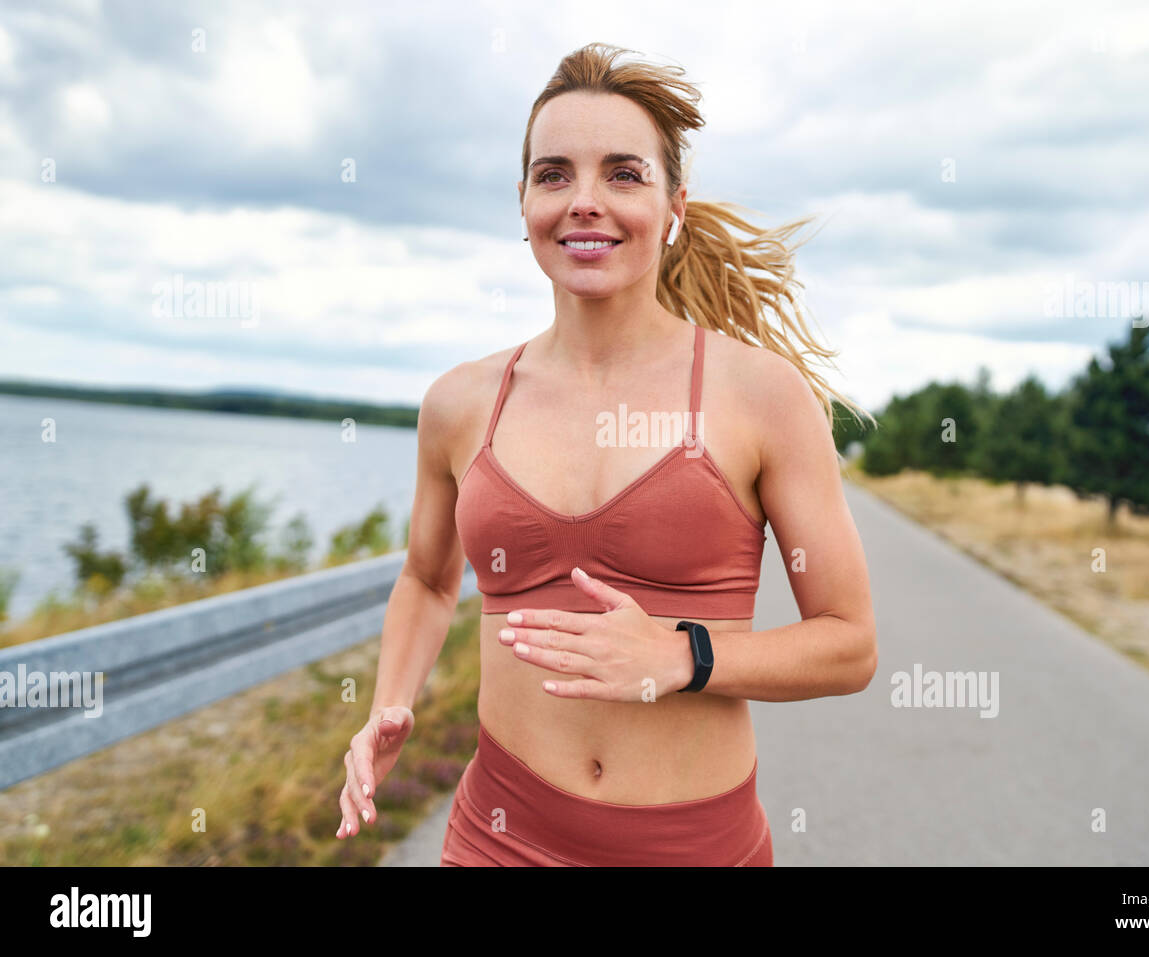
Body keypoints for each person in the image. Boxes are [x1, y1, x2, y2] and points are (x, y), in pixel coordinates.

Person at [337, 42, 878, 866]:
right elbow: (427, 576)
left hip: (693, 848)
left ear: (675, 208)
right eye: (554, 174)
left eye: (623, 174)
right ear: (522, 203)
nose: (584, 201)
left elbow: (849, 643)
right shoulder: (460, 403)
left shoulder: (760, 397)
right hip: (496, 837)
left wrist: (684, 653)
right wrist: (388, 704)